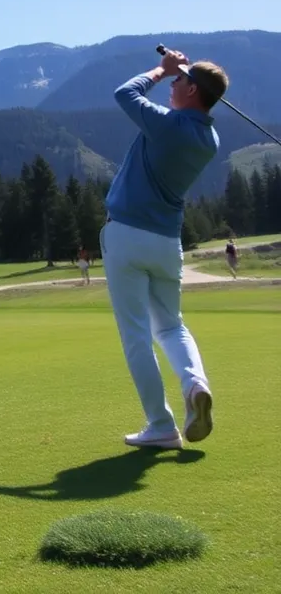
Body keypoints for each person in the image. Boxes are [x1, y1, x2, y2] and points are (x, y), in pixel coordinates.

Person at [101, 48, 228, 450]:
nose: (173, 84)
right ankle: (195, 386)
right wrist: (180, 72)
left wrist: (160, 69)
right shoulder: (209, 137)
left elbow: (125, 93)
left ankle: (161, 424)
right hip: (166, 242)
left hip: (126, 236)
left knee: (137, 334)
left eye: (179, 81)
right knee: (171, 326)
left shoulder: (169, 126)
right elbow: (167, 109)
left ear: (192, 90)